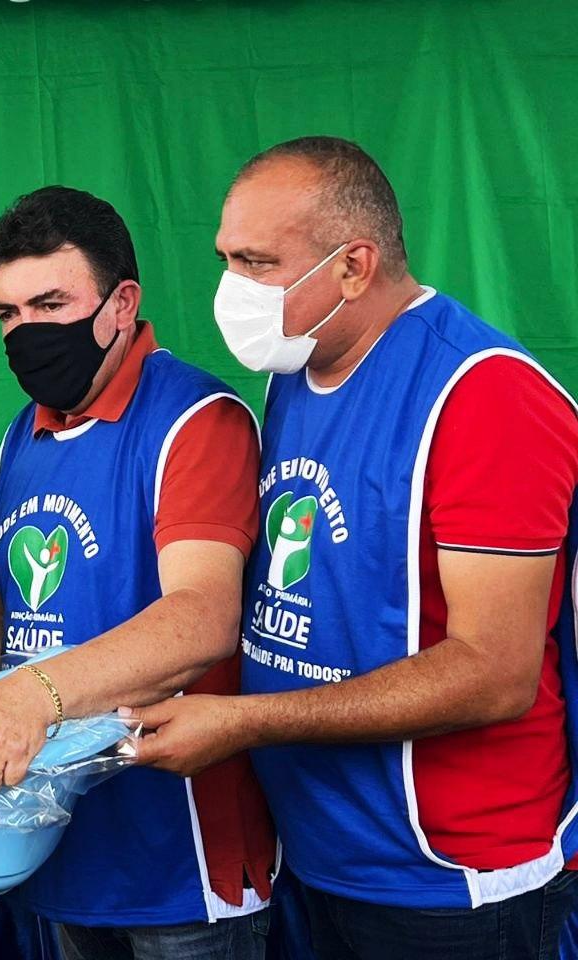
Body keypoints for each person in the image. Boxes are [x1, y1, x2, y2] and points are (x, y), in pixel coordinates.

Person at [124, 136, 578, 959]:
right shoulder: (295, 369)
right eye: (227, 258)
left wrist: (244, 723)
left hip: (448, 881)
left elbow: (497, 670)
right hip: (320, 856)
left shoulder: (483, 396)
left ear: (353, 267)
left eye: (258, 263)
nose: (234, 289)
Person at [0, 187, 275, 960]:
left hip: (178, 865)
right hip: (55, 845)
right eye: (8, 314)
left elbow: (203, 618)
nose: (26, 333)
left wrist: (29, 693)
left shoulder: (196, 420)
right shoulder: (22, 435)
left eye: (49, 303)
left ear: (122, 303)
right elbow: (12, 602)